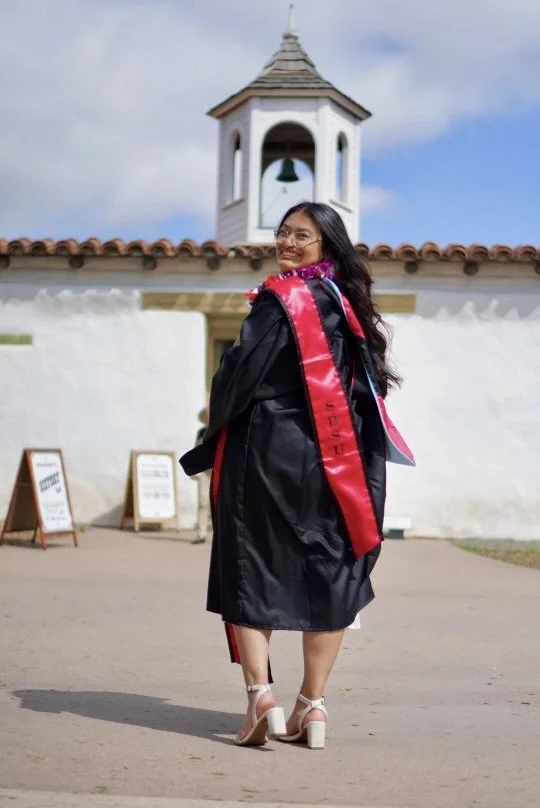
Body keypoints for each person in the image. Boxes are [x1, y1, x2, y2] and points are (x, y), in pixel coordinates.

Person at [180, 202, 414, 749]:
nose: (286, 242)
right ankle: (313, 707)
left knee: (251, 564)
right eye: (283, 232)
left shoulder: (279, 299)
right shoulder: (346, 304)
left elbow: (239, 379)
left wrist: (230, 364)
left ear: (326, 244)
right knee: (331, 567)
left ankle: (261, 696)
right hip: (338, 461)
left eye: (301, 235)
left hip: (265, 453)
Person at [191, 407, 211, 545]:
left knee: (218, 503)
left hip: (217, 470)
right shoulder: (201, 432)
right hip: (204, 472)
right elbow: (196, 451)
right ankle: (201, 533)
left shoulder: (220, 429)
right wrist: (193, 470)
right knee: (203, 502)